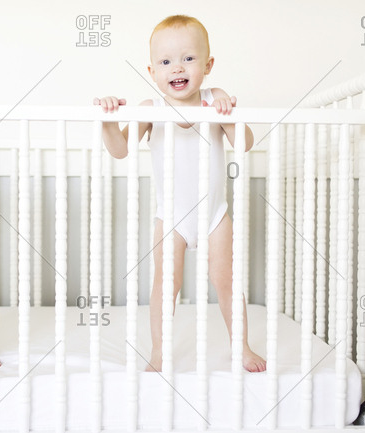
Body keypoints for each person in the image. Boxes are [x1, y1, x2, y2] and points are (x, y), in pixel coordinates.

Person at [94, 15, 266, 373]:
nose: (177, 68)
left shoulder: (214, 100)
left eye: (188, 58)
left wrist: (231, 115)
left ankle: (243, 347)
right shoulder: (148, 110)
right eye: (166, 61)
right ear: (152, 70)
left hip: (215, 215)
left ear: (208, 64)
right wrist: (109, 122)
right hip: (170, 217)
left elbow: (244, 144)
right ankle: (159, 352)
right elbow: (121, 150)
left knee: (227, 282)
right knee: (165, 285)